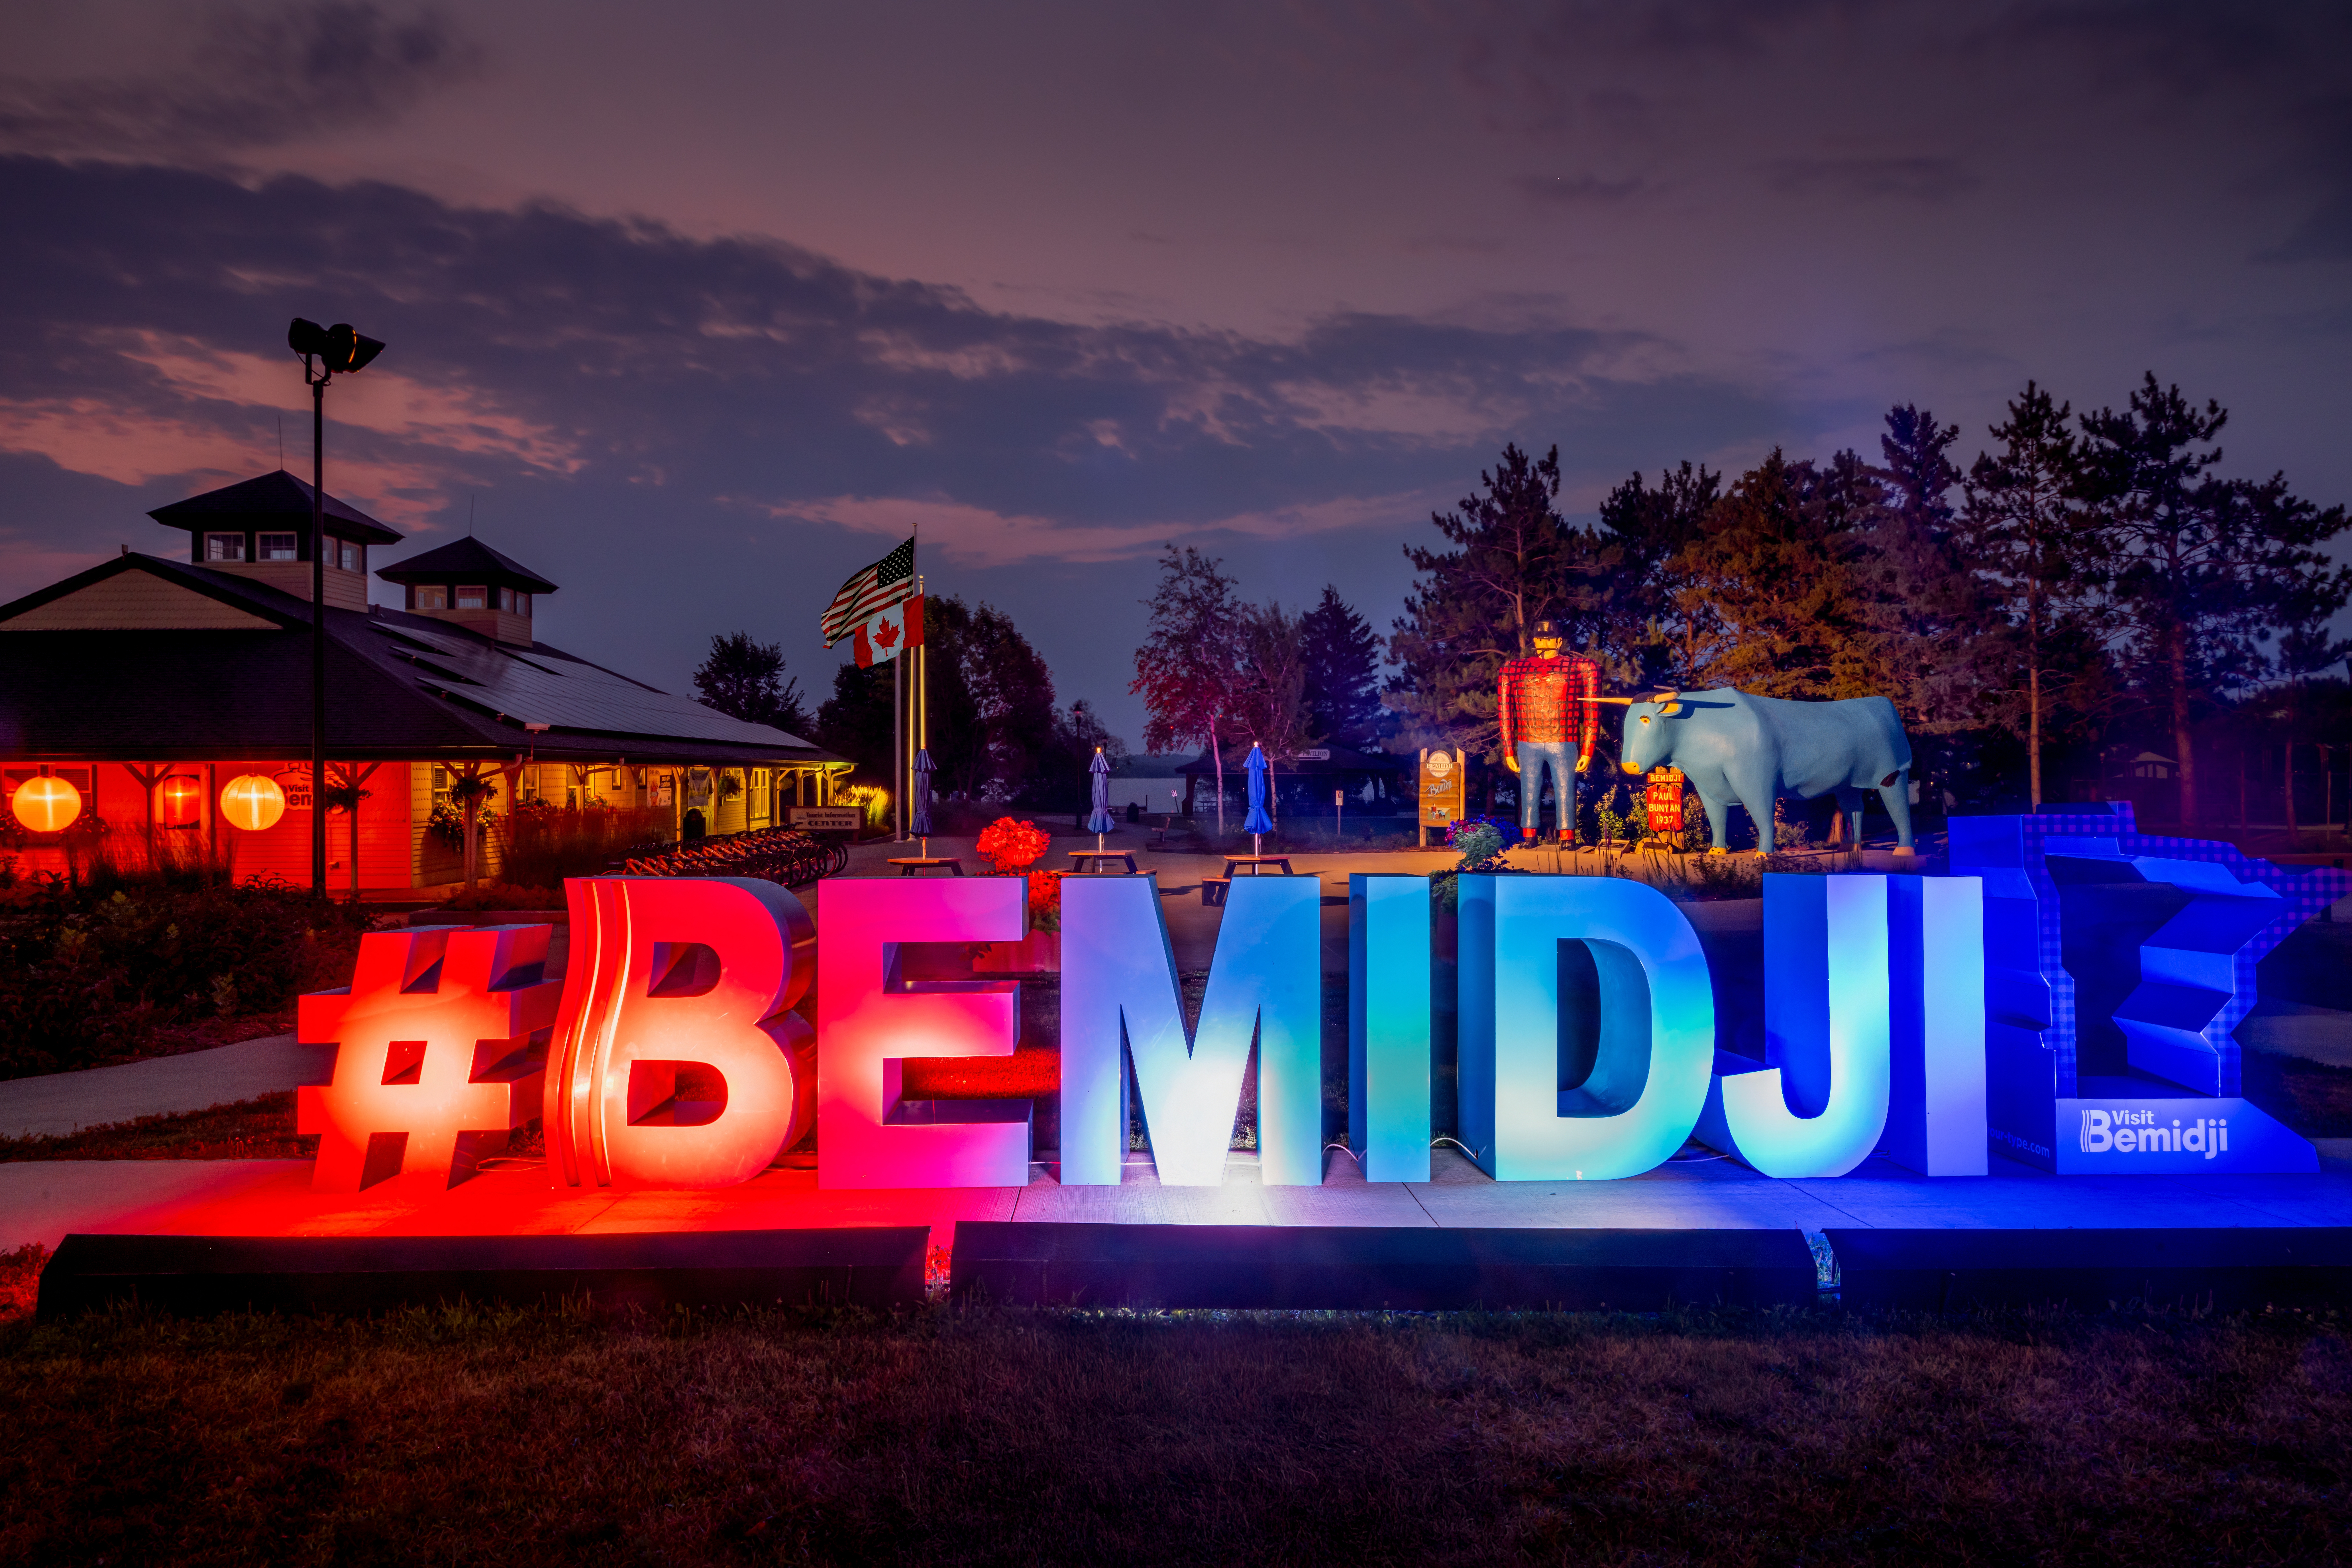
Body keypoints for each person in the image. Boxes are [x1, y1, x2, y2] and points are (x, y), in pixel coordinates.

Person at [1497, 619, 1599, 843]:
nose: (1544, 643)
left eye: (1549, 639)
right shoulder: (1512, 669)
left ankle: (1567, 836)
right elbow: (1505, 712)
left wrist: (1587, 750)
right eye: (1540, 639)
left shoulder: (1581, 668)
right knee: (1529, 788)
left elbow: (1592, 710)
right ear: (1535, 641)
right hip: (1529, 739)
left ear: (1559, 641)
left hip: (1563, 738)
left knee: (1565, 788)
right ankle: (1529, 835)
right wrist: (1509, 750)